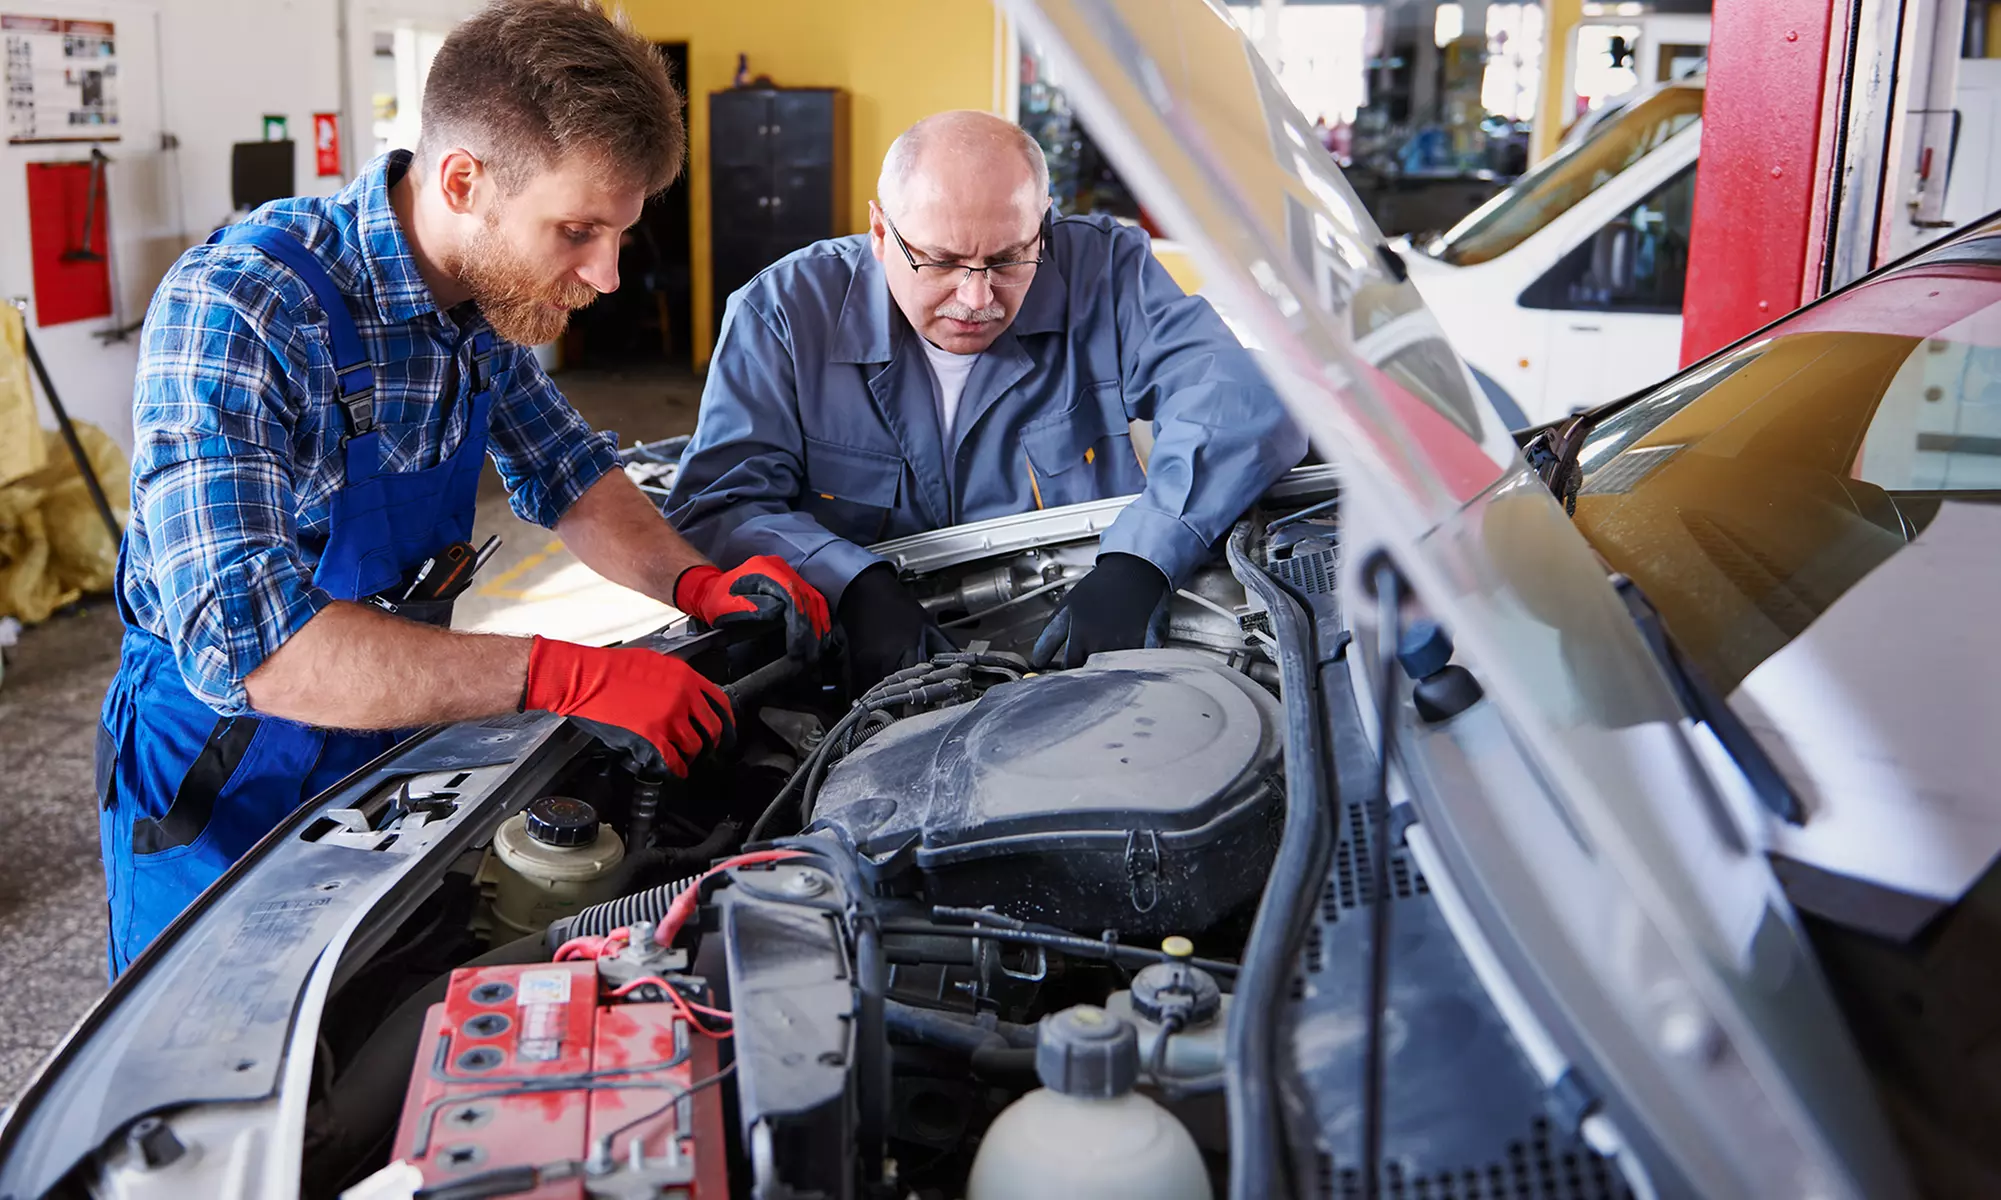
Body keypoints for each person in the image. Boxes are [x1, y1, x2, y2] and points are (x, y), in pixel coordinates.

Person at [96, 0, 828, 976]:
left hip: (388, 745)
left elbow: (569, 475)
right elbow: (251, 647)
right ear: (463, 180)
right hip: (220, 777)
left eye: (618, 234)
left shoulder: (481, 304)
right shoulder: (241, 310)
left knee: (381, 1014)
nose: (606, 275)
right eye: (577, 231)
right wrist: (563, 672)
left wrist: (696, 584)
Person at [667, 110, 1304, 686]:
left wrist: (1142, 558)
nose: (977, 298)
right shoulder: (783, 313)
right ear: (881, 232)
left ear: (1043, 227)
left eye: (1008, 259)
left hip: (1070, 661)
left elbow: (1244, 402)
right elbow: (720, 504)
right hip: (860, 680)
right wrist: (850, 586)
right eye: (940, 262)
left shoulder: (1105, 273)